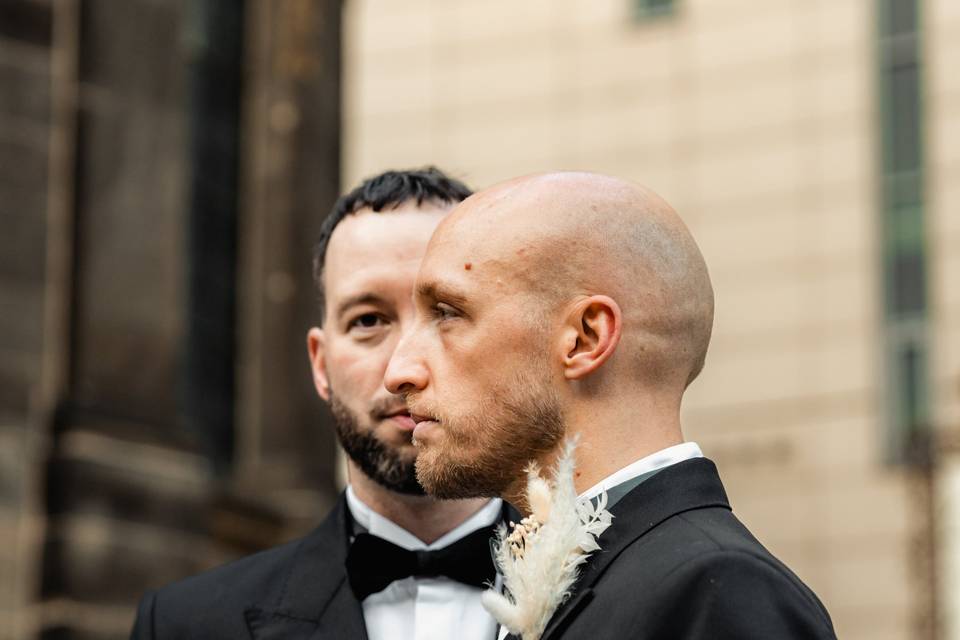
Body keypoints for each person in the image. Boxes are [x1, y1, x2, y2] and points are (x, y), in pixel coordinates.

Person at [384, 172, 837, 639]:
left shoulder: (717, 594)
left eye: (447, 313)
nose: (397, 371)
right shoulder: (604, 576)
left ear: (586, 338)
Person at [131, 168, 508, 640]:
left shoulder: (617, 590)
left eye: (447, 313)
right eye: (368, 320)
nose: (404, 366)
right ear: (319, 362)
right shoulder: (182, 626)